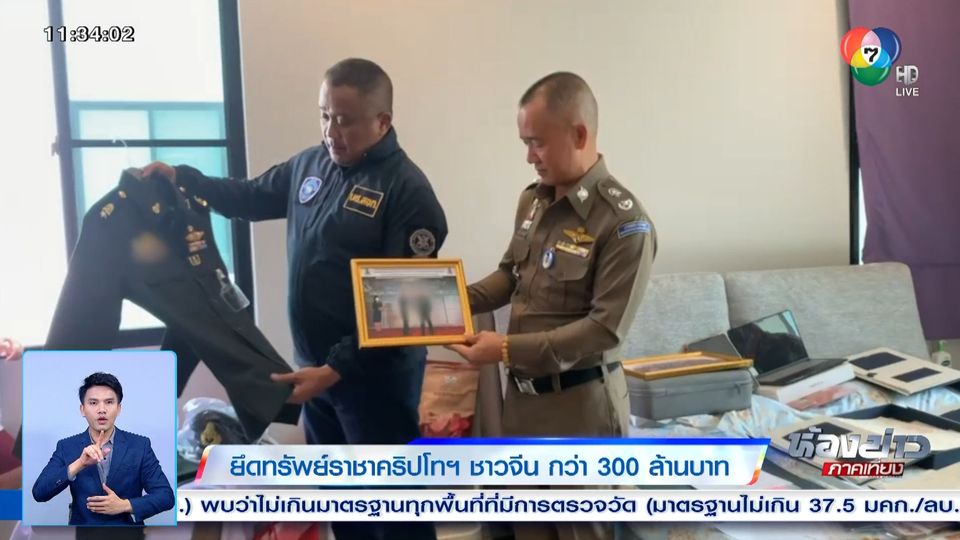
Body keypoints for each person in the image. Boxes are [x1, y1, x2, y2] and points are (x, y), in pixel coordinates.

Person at [142, 58, 445, 540]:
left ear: (382, 121)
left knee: (393, 517)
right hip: (317, 378)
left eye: (344, 120)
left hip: (375, 386)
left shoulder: (408, 192)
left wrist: (334, 369)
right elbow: (248, 197)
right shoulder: (311, 165)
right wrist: (183, 178)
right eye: (324, 115)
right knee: (344, 510)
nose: (331, 132)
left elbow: (401, 312)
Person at [448, 72, 657, 540]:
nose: (529, 156)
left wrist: (504, 349)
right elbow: (509, 275)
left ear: (579, 134)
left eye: (537, 143)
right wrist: (445, 300)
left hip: (580, 409)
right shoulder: (533, 202)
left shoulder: (624, 224)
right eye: (525, 143)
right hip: (523, 404)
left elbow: (603, 330)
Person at [32, 372, 174, 527]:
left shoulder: (140, 445)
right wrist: (79, 464)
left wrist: (125, 505)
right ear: (82, 409)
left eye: (109, 402)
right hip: (84, 534)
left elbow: (166, 496)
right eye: (93, 403)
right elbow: (39, 493)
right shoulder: (66, 446)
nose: (102, 409)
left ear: (118, 408)